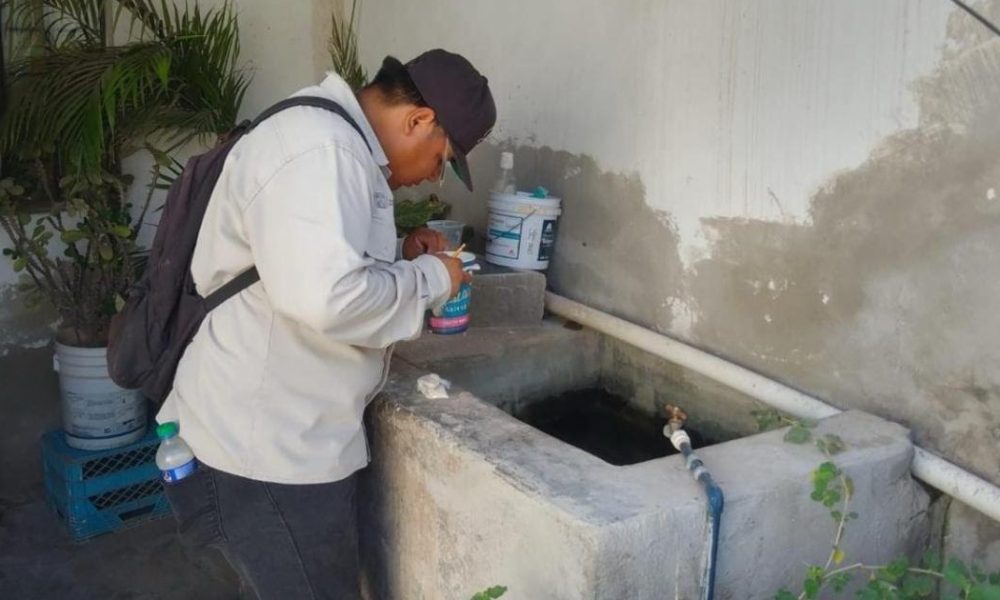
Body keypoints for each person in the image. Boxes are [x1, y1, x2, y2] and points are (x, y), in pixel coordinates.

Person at [158, 49, 496, 599]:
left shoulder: (329, 141)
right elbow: (329, 299)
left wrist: (402, 256)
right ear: (419, 120)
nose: (433, 176)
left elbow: (301, 266)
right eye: (442, 159)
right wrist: (434, 278)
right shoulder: (321, 148)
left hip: (275, 441)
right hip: (268, 454)